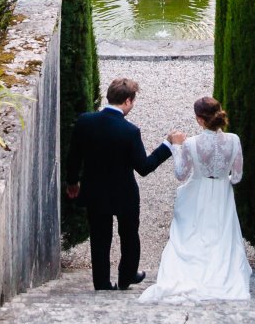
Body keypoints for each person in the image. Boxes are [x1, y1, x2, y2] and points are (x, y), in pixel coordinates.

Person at [66, 78, 184, 291]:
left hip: (95, 192)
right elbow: (144, 167)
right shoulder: (130, 131)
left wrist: (72, 182)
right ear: (128, 101)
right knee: (129, 235)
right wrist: (168, 145)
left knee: (99, 238)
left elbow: (73, 156)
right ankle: (127, 276)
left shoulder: (85, 121)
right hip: (124, 194)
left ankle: (101, 283)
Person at [141, 97, 252, 304]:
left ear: (200, 120)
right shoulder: (234, 140)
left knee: (192, 235)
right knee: (220, 235)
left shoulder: (191, 143)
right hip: (222, 194)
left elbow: (181, 174)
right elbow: (237, 177)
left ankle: (193, 275)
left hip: (197, 193)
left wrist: (176, 147)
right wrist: (221, 180)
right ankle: (221, 275)